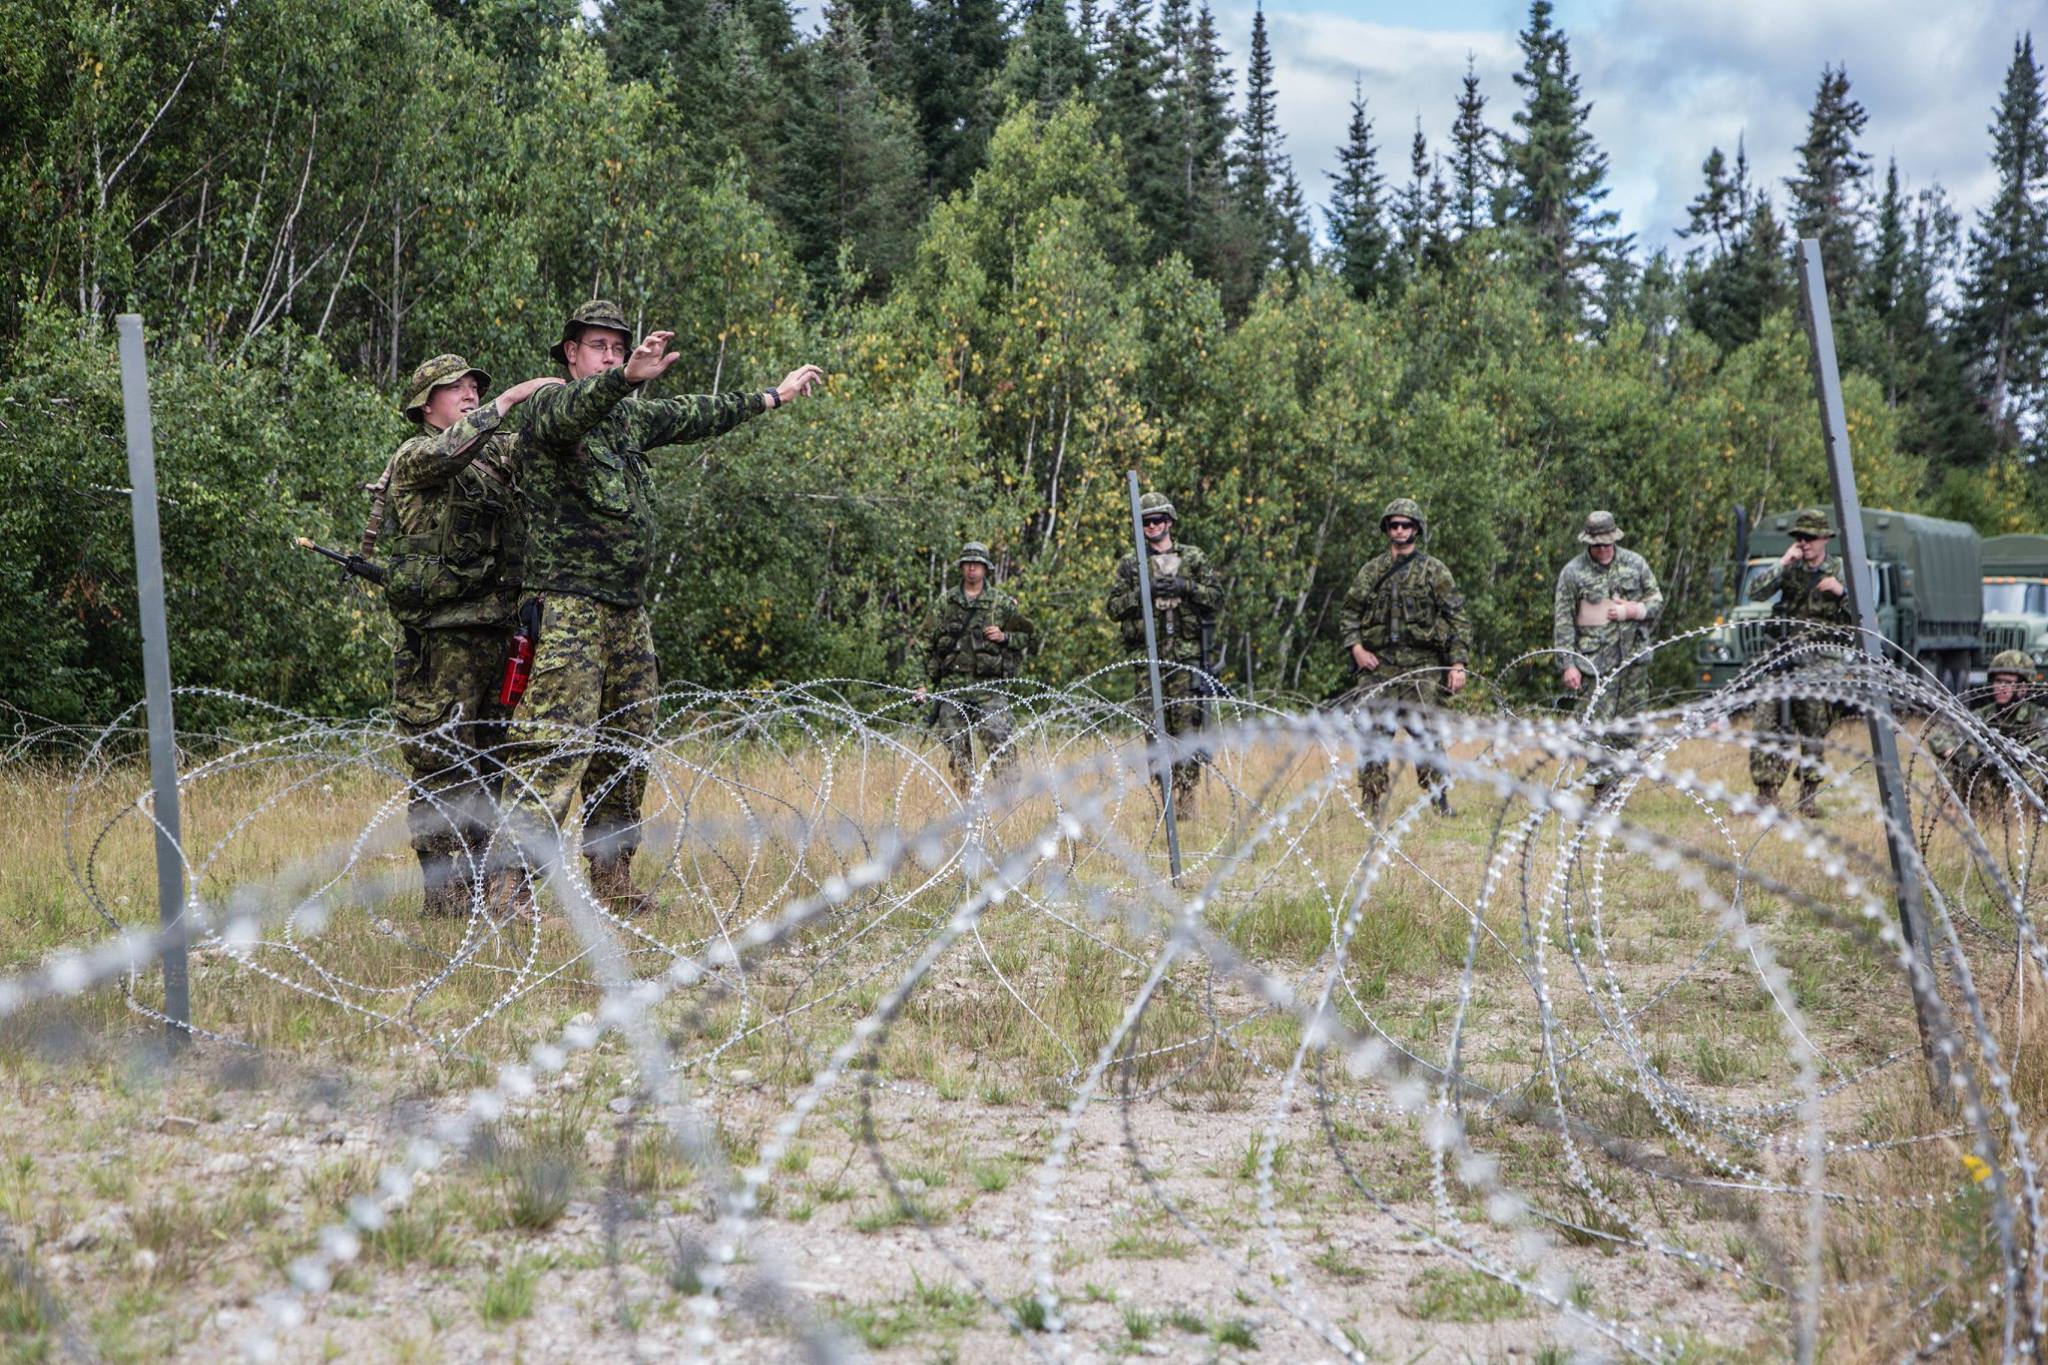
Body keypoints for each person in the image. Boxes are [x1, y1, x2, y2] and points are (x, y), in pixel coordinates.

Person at [502, 300, 826, 915]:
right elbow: (574, 410)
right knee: (552, 744)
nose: (612, 356)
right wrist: (620, 381)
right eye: (599, 346)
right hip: (569, 605)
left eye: (618, 348)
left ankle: (611, 870)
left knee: (627, 744)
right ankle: (511, 882)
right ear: (571, 353)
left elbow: (693, 414)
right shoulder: (550, 405)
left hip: (626, 609)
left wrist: (774, 396)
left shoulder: (626, 423)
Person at [373, 354, 560, 916]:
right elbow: (447, 452)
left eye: (476, 386)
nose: (471, 392)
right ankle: (447, 896)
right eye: (454, 388)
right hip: (446, 635)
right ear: (426, 406)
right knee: (444, 761)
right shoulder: (417, 455)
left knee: (495, 761)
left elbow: (539, 450)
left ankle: (486, 887)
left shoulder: (494, 458)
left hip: (499, 628)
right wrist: (508, 399)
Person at [1338, 497, 1472, 818]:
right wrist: (1357, 649)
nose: (1399, 531)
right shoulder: (1372, 571)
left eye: (1406, 525)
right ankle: (1370, 804)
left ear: (1416, 529)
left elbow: (1458, 618)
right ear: (1387, 529)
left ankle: (1439, 801)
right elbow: (1349, 613)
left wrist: (1458, 664)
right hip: (1379, 666)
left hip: (1421, 667)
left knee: (1427, 735)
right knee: (1373, 735)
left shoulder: (1433, 571)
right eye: (1394, 525)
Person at [1106, 492, 1223, 814]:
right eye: (1146, 521)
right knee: (1155, 732)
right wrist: (1145, 591)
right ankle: (1166, 799)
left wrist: (1186, 588)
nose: (1152, 526)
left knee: (1187, 729)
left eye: (1158, 520)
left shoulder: (1193, 558)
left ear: (1169, 522)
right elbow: (1113, 608)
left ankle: (1186, 799)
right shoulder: (1132, 564)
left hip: (1186, 659)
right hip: (1149, 660)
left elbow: (1215, 597)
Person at [1552, 510, 1663, 802]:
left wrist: (1633, 610)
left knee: (1629, 729)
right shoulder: (1573, 573)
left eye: (1607, 543)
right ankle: (1602, 791)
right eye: (1597, 545)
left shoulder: (1635, 564)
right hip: (1595, 665)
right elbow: (1563, 622)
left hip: (1633, 662)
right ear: (1588, 543)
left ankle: (1616, 784)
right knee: (1596, 731)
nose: (1603, 549)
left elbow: (1656, 601)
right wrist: (1568, 664)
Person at [1746, 508, 1851, 815]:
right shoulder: (1789, 568)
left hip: (1820, 663)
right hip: (1784, 657)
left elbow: (1861, 613)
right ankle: (1767, 792)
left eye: (1809, 538)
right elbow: (1755, 592)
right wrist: (1781, 564)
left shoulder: (1839, 569)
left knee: (1813, 727)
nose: (1804, 544)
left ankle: (1808, 795)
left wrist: (1841, 592)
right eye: (1799, 538)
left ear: (1824, 539)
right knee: (1768, 721)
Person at [915, 543, 1031, 791]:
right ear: (961, 567)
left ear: (985, 569)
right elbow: (924, 643)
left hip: (988, 688)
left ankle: (1008, 802)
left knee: (1000, 742)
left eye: (976, 564)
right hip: (952, 687)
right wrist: (921, 683)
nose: (971, 569)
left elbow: (1027, 635)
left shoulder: (1000, 603)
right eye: (968, 563)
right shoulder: (945, 603)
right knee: (957, 750)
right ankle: (967, 802)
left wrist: (1005, 637)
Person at [1928, 650, 2048, 807]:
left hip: (2025, 778)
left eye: (2009, 682)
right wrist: (1959, 755)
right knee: (1950, 760)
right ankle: (1956, 809)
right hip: (1990, 776)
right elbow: (1941, 735)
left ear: (2023, 687)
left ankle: (2027, 809)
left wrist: (2020, 754)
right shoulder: (1985, 715)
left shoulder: (2037, 716)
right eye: (1998, 681)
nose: (2002, 687)